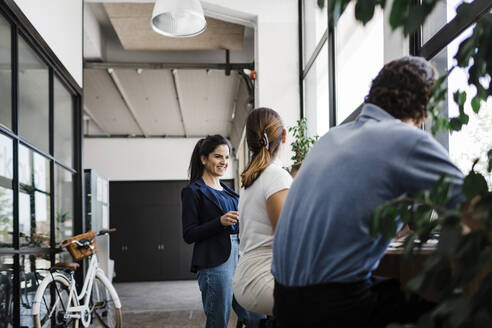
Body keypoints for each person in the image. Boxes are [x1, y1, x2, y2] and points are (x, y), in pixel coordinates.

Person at [271, 56, 465, 327]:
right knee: (459, 312)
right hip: (337, 308)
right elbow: (471, 206)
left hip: (285, 304)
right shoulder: (404, 139)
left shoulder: (330, 139)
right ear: (425, 104)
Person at [181, 135, 263, 328]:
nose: (224, 162)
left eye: (226, 158)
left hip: (240, 257)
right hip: (215, 263)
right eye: (218, 157)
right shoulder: (193, 192)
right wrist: (219, 222)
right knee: (218, 320)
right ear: (204, 159)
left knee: (254, 314)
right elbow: (189, 234)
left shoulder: (229, 192)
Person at [233, 108, 292, 315]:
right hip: (262, 279)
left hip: (247, 275)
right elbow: (287, 238)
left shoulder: (252, 179)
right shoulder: (277, 176)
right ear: (283, 136)